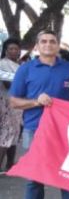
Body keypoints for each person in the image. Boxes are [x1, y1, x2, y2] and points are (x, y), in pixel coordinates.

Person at [9, 30, 69, 199]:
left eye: (52, 41)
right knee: (35, 174)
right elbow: (14, 101)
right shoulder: (26, 69)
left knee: (67, 170)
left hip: (63, 128)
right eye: (43, 41)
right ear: (37, 46)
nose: (48, 44)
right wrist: (36, 102)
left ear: (58, 45)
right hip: (35, 128)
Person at [0, 38, 23, 171]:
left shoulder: (19, 65)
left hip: (17, 105)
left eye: (16, 49)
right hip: (7, 104)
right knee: (6, 135)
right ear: (6, 50)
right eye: (11, 49)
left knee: (14, 134)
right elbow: (8, 85)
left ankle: (10, 164)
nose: (14, 51)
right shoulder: (3, 64)